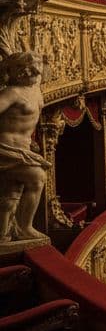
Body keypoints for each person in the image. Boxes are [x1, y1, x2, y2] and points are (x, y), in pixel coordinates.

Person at [0, 52, 47, 242]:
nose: (36, 71)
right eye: (31, 68)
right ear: (20, 71)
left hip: (24, 149)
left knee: (11, 193)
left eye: (38, 67)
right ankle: (25, 227)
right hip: (5, 149)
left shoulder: (35, 89)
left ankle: (4, 235)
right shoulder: (11, 93)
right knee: (37, 177)